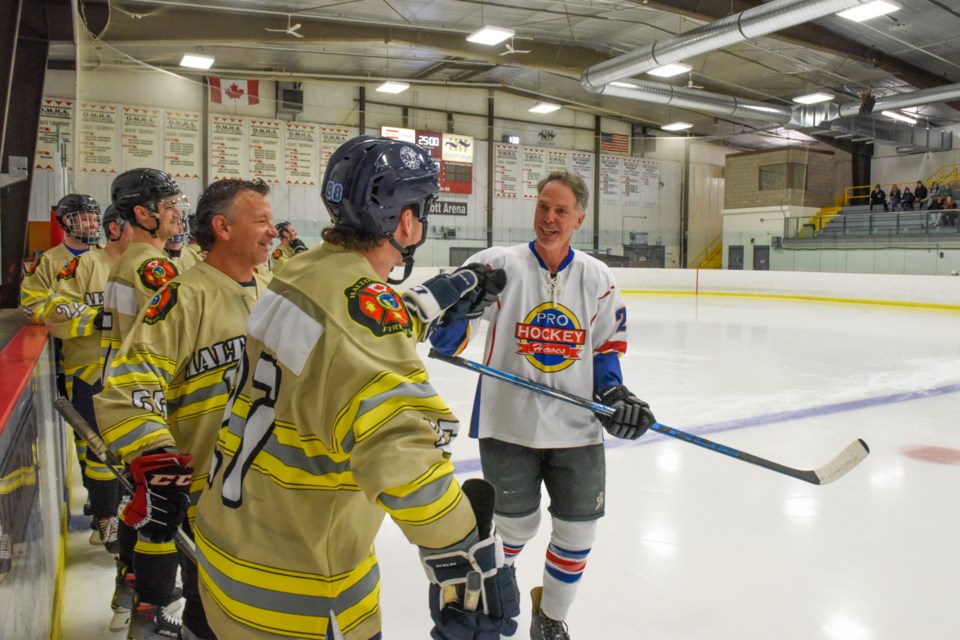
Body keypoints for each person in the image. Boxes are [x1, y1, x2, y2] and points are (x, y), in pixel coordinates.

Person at [194, 135, 518, 640]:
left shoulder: (298, 272)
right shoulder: (359, 316)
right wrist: (467, 552)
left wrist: (434, 300)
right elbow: (403, 459)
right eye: (421, 206)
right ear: (403, 220)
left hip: (231, 551)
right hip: (300, 592)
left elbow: (343, 337)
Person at [430, 170, 658, 640]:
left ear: (580, 218)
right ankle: (496, 600)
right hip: (508, 424)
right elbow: (447, 344)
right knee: (514, 527)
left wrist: (614, 395)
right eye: (542, 207)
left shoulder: (597, 277)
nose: (548, 218)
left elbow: (606, 349)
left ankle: (550, 618)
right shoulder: (497, 263)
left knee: (577, 534)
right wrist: (464, 308)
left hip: (576, 429)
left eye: (560, 211)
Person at [96, 178, 279, 640]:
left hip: (269, 491)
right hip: (207, 494)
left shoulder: (274, 291)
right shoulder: (181, 298)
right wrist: (154, 452)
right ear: (222, 227)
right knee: (210, 613)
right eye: (261, 221)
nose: (273, 231)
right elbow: (129, 385)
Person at [95, 167, 186, 639]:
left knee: (141, 501)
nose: (177, 212)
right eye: (166, 205)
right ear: (140, 214)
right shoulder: (153, 266)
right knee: (163, 509)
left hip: (133, 400)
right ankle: (151, 608)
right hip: (153, 403)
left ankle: (130, 590)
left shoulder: (130, 261)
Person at [44, 202, 133, 560]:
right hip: (90, 371)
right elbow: (55, 308)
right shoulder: (81, 265)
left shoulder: (145, 268)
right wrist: (94, 319)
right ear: (117, 229)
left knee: (129, 448)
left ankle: (123, 510)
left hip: (131, 373)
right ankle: (106, 517)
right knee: (98, 452)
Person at [19, 194, 101, 324]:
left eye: (95, 219)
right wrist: (62, 318)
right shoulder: (47, 262)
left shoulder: (107, 255)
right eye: (86, 219)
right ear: (67, 220)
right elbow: (32, 304)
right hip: (68, 340)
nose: (93, 225)